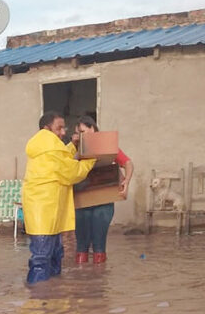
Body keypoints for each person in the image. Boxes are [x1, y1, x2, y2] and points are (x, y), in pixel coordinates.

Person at [22, 111, 95, 285]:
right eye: (59, 128)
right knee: (42, 258)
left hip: (48, 212)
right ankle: (39, 300)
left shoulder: (47, 146)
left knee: (55, 256)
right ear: (47, 129)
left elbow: (62, 157)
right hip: (44, 213)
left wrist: (72, 145)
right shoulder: (50, 149)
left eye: (64, 128)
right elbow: (72, 172)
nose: (63, 132)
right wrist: (91, 159)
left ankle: (52, 299)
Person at [70, 115, 134, 264]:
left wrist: (127, 181)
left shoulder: (107, 146)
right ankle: (84, 280)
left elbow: (128, 163)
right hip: (82, 202)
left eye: (82, 131)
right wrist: (77, 151)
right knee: (81, 245)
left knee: (99, 245)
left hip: (103, 201)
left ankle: (98, 282)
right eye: (77, 132)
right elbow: (67, 169)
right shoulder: (73, 148)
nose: (80, 135)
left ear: (93, 128)